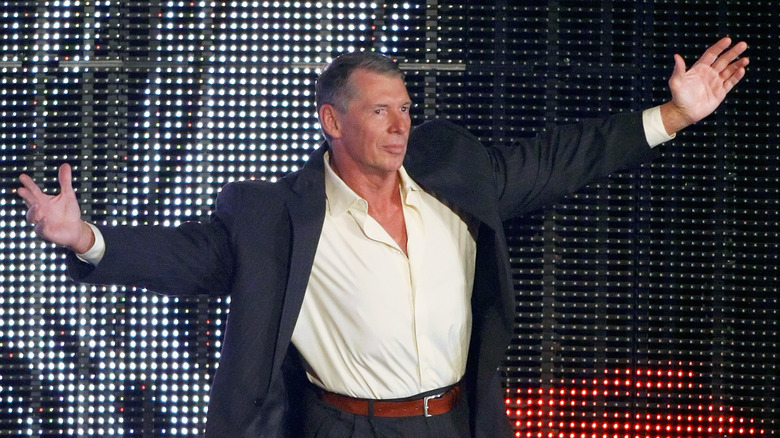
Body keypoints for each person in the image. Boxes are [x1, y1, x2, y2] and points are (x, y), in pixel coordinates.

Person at [17, 37, 748, 438]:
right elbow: (183, 259)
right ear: (332, 123)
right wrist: (84, 235)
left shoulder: (456, 175)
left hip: (458, 419)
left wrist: (673, 117)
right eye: (380, 112)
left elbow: (558, 162)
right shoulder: (276, 218)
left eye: (404, 108)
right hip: (346, 427)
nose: (401, 125)